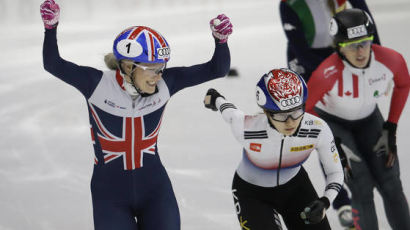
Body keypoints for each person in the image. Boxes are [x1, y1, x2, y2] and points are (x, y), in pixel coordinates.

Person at [40, 0, 232, 229]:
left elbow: (217, 69)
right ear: (129, 67)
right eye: (152, 69)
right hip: (110, 197)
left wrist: (221, 41)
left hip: (155, 192)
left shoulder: (166, 84)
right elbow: (53, 64)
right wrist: (50, 28)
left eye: (161, 68)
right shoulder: (96, 84)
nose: (158, 76)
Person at [306, 8, 410, 230]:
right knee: (361, 185)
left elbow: (403, 84)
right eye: (352, 46)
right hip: (333, 123)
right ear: (339, 48)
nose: (360, 51)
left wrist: (391, 126)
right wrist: (331, 142)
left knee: (391, 182)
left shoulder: (391, 60)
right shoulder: (327, 73)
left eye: (364, 42)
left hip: (369, 120)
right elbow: (305, 109)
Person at [204, 68, 344, 229]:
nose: (290, 122)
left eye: (297, 111)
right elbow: (231, 113)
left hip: (295, 189)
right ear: (266, 112)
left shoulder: (317, 129)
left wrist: (325, 201)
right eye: (281, 115)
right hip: (252, 194)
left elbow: (335, 171)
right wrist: (216, 99)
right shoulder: (248, 128)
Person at [279, 0, 380, 82]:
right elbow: (302, 53)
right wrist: (337, 71)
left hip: (336, 52)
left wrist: (379, 60)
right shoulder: (289, 4)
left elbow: (367, 22)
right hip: (304, 60)